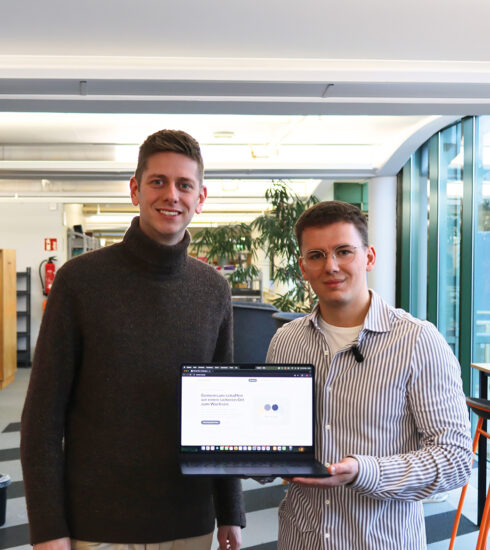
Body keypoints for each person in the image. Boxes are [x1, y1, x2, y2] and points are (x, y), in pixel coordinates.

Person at [21, 130, 245, 550]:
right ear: (134, 190)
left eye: (184, 185)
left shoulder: (213, 289)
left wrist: (230, 510)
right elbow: (42, 418)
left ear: (200, 197)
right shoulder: (79, 281)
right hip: (99, 525)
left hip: (189, 522)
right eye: (158, 181)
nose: (171, 195)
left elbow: (222, 411)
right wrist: (48, 529)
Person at [266, 200, 472, 550]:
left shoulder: (418, 341)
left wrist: (365, 472)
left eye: (344, 251)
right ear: (303, 268)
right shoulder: (285, 341)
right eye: (316, 256)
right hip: (301, 538)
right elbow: (276, 434)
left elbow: (455, 459)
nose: (331, 266)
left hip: (381, 540)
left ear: (369, 257)